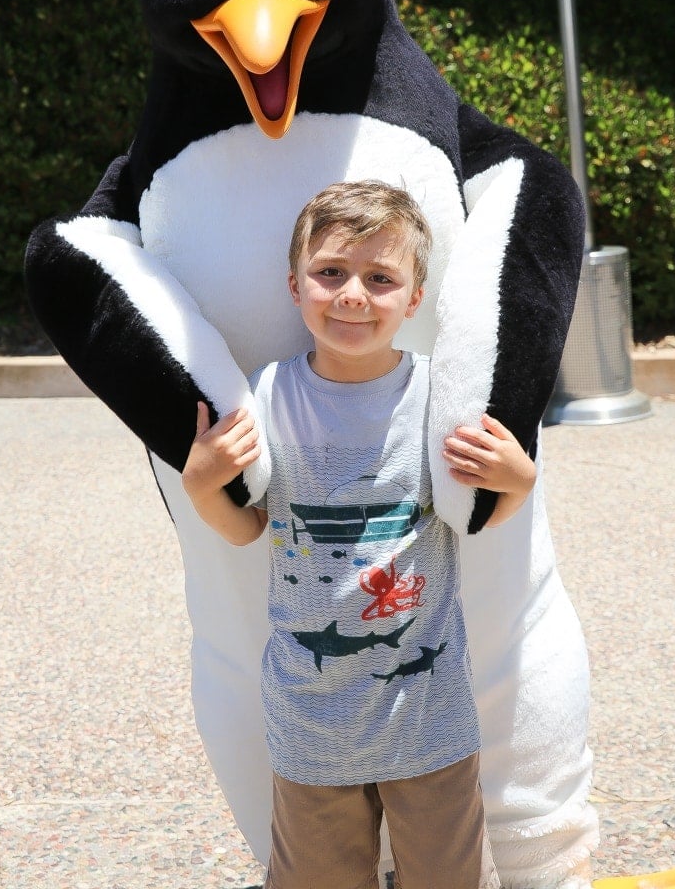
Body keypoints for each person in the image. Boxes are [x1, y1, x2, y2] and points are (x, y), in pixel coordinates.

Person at [182, 180, 537, 889]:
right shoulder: (267, 395)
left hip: (429, 719)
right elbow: (248, 530)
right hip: (310, 724)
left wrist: (519, 484)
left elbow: (471, 519)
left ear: (413, 300)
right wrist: (199, 483)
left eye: (380, 279)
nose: (352, 295)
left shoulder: (441, 396)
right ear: (295, 285)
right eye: (331, 273)